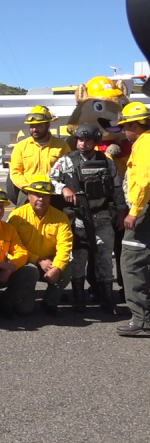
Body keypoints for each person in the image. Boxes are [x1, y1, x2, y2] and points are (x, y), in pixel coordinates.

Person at [49, 123, 127, 313]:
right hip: (78, 218)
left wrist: (122, 210)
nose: (82, 143)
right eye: (79, 139)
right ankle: (79, 299)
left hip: (102, 216)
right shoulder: (66, 161)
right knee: (78, 259)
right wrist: (64, 188)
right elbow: (50, 179)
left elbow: (116, 188)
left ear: (95, 141)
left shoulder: (107, 161)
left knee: (105, 259)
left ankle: (108, 300)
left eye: (87, 140)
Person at [8, 175, 74, 315]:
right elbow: (13, 246)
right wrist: (37, 260)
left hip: (50, 261)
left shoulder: (60, 217)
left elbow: (65, 245)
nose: (41, 199)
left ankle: (49, 303)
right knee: (24, 311)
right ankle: (8, 298)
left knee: (67, 267)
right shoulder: (16, 216)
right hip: (27, 263)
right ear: (29, 195)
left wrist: (57, 267)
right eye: (37, 195)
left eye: (45, 196)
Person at [115, 102, 150, 335]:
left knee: (132, 262)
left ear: (136, 125)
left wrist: (134, 210)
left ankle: (141, 321)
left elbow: (146, 179)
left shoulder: (145, 143)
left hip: (144, 209)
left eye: (125, 127)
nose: (123, 132)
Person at [0, 188, 37, 321]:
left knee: (30, 273)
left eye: (1, 207)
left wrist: (8, 269)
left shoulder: (8, 229)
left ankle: (3, 301)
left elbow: (21, 252)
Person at [10, 106, 70, 206]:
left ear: (48, 124)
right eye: (32, 126)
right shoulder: (20, 147)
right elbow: (15, 172)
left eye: (38, 126)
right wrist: (29, 187)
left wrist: (62, 187)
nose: (34, 129)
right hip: (27, 193)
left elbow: (68, 172)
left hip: (53, 193)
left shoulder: (62, 146)